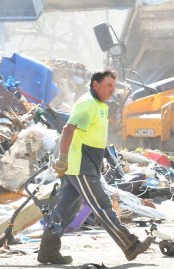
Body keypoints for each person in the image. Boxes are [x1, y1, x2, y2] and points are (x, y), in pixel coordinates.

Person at [37, 69, 153, 265]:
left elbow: (93, 137)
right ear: (95, 84)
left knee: (65, 210)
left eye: (114, 86)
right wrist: (63, 159)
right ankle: (130, 245)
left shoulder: (100, 105)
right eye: (108, 85)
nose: (112, 90)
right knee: (102, 205)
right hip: (80, 166)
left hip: (85, 164)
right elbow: (68, 130)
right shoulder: (87, 104)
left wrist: (100, 161)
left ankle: (48, 252)